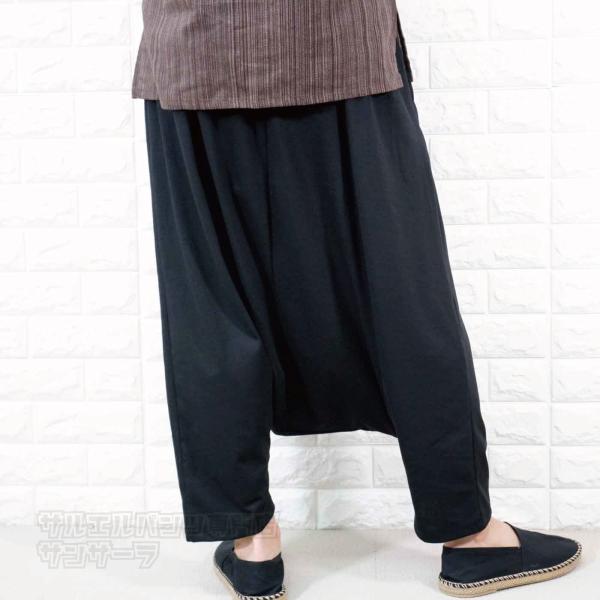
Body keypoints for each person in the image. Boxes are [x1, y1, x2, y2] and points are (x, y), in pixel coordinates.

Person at [132, 1, 582, 597]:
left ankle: (251, 542)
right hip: (337, 44)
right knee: (402, 289)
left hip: (198, 48)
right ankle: (469, 534)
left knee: (212, 306)